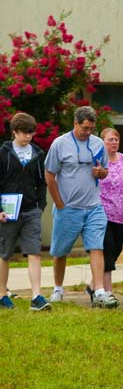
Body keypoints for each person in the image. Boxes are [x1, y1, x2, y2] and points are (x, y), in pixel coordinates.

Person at [45, 106, 116, 308]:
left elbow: (105, 172)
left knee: (96, 246)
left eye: (92, 128)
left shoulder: (98, 144)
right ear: (75, 123)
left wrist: (100, 172)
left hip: (94, 206)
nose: (88, 132)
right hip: (68, 208)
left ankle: (100, 291)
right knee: (60, 251)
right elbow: (49, 175)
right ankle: (58, 288)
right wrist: (59, 203)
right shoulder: (60, 144)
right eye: (85, 128)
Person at [0, 113, 50, 311]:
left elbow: (41, 183)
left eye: (31, 133)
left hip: (31, 211)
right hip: (8, 212)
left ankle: (36, 296)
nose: (28, 137)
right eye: (23, 133)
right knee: (5, 254)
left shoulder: (37, 154)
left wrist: (40, 206)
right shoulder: (3, 153)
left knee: (34, 252)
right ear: (14, 132)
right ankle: (2, 294)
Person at [97, 128, 123, 299]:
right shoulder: (98, 161)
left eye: (116, 139)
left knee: (117, 249)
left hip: (121, 214)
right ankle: (107, 291)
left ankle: (94, 285)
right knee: (107, 250)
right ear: (102, 142)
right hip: (102, 213)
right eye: (110, 139)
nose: (114, 142)